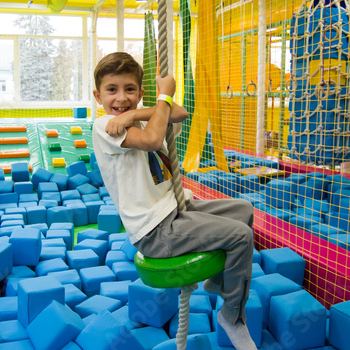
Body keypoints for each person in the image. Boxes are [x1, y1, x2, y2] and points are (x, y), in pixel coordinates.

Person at [92, 52, 257, 350]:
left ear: (141, 94)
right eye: (111, 90)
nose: (121, 98)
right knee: (241, 237)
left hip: (177, 207)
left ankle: (217, 282)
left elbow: (178, 112)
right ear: (97, 95)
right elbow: (154, 140)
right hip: (155, 229)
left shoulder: (140, 117)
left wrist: (136, 113)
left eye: (129, 89)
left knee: (243, 211)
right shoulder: (105, 127)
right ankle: (232, 316)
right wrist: (161, 99)